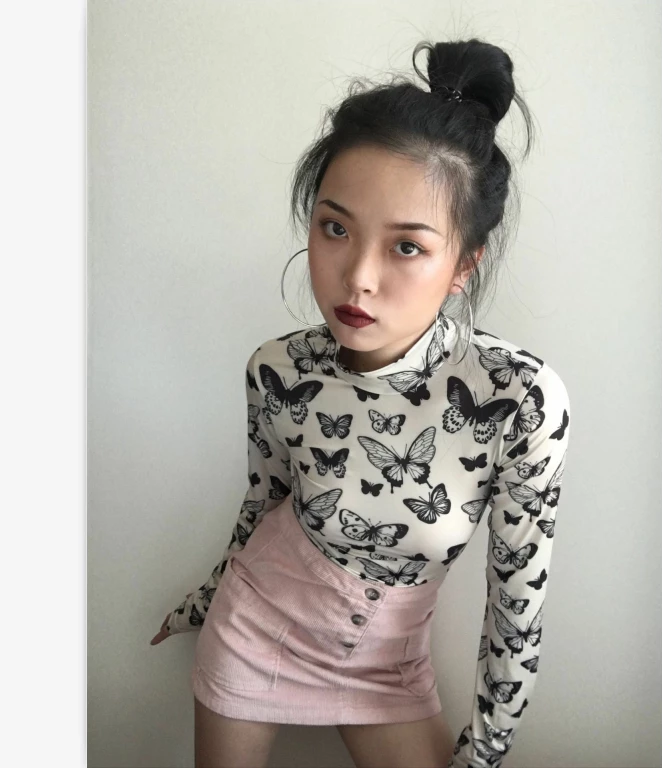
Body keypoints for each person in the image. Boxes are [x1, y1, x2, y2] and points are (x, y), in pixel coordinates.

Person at [151, 37, 572, 768]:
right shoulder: (278, 370)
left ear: (464, 263)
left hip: (389, 672)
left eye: (407, 247)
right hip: (254, 633)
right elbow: (262, 504)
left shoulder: (517, 400)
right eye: (335, 227)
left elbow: (516, 605)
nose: (358, 278)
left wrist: (485, 753)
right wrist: (204, 600)